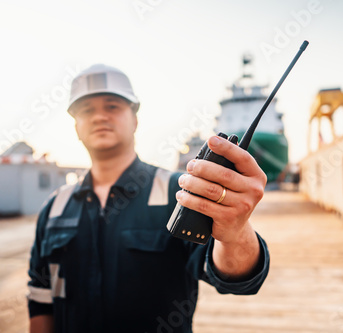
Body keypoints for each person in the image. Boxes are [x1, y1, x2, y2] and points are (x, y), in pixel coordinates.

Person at [27, 64, 270, 333]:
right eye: (87, 110)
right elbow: (40, 302)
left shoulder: (179, 193)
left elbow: (233, 276)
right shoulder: (53, 209)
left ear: (135, 119)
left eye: (112, 106)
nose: (99, 117)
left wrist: (235, 232)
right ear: (76, 126)